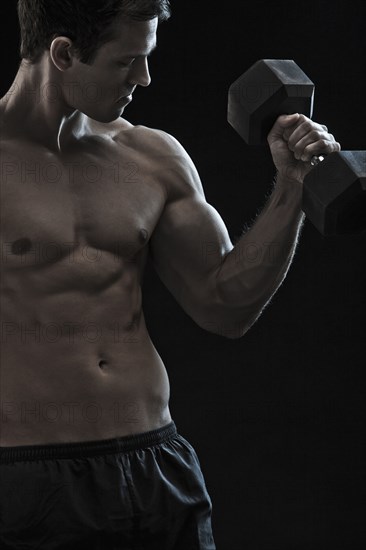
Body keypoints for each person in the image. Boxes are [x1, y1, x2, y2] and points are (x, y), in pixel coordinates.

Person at [0, 0, 341, 548]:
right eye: (126, 62)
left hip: (154, 467)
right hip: (26, 481)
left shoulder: (152, 158)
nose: (145, 77)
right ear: (63, 53)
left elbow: (225, 305)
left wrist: (291, 186)